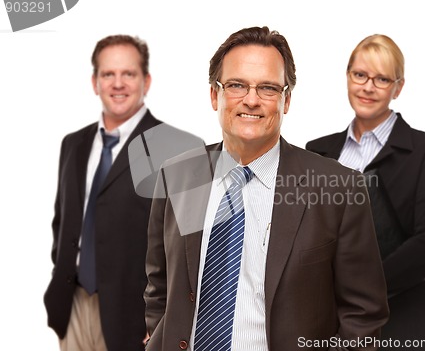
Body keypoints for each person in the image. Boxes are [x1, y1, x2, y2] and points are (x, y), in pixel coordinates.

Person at [144, 26, 389, 351]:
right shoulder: (177, 177)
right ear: (215, 95)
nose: (251, 100)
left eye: (268, 88)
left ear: (286, 100)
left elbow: (363, 316)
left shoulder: (338, 189)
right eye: (236, 85)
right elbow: (158, 287)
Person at [43, 34, 203, 351]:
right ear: (95, 82)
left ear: (146, 80)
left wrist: (166, 319)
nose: (118, 84)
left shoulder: (180, 148)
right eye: (108, 74)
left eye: (128, 74)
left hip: (136, 319)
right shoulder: (73, 144)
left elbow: (194, 251)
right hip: (72, 308)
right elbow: (63, 223)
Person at [306, 34, 425, 350]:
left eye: (382, 79)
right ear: (347, 77)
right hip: (329, 321)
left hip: (403, 318)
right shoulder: (317, 152)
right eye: (360, 75)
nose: (368, 87)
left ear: (398, 87)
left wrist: (360, 290)